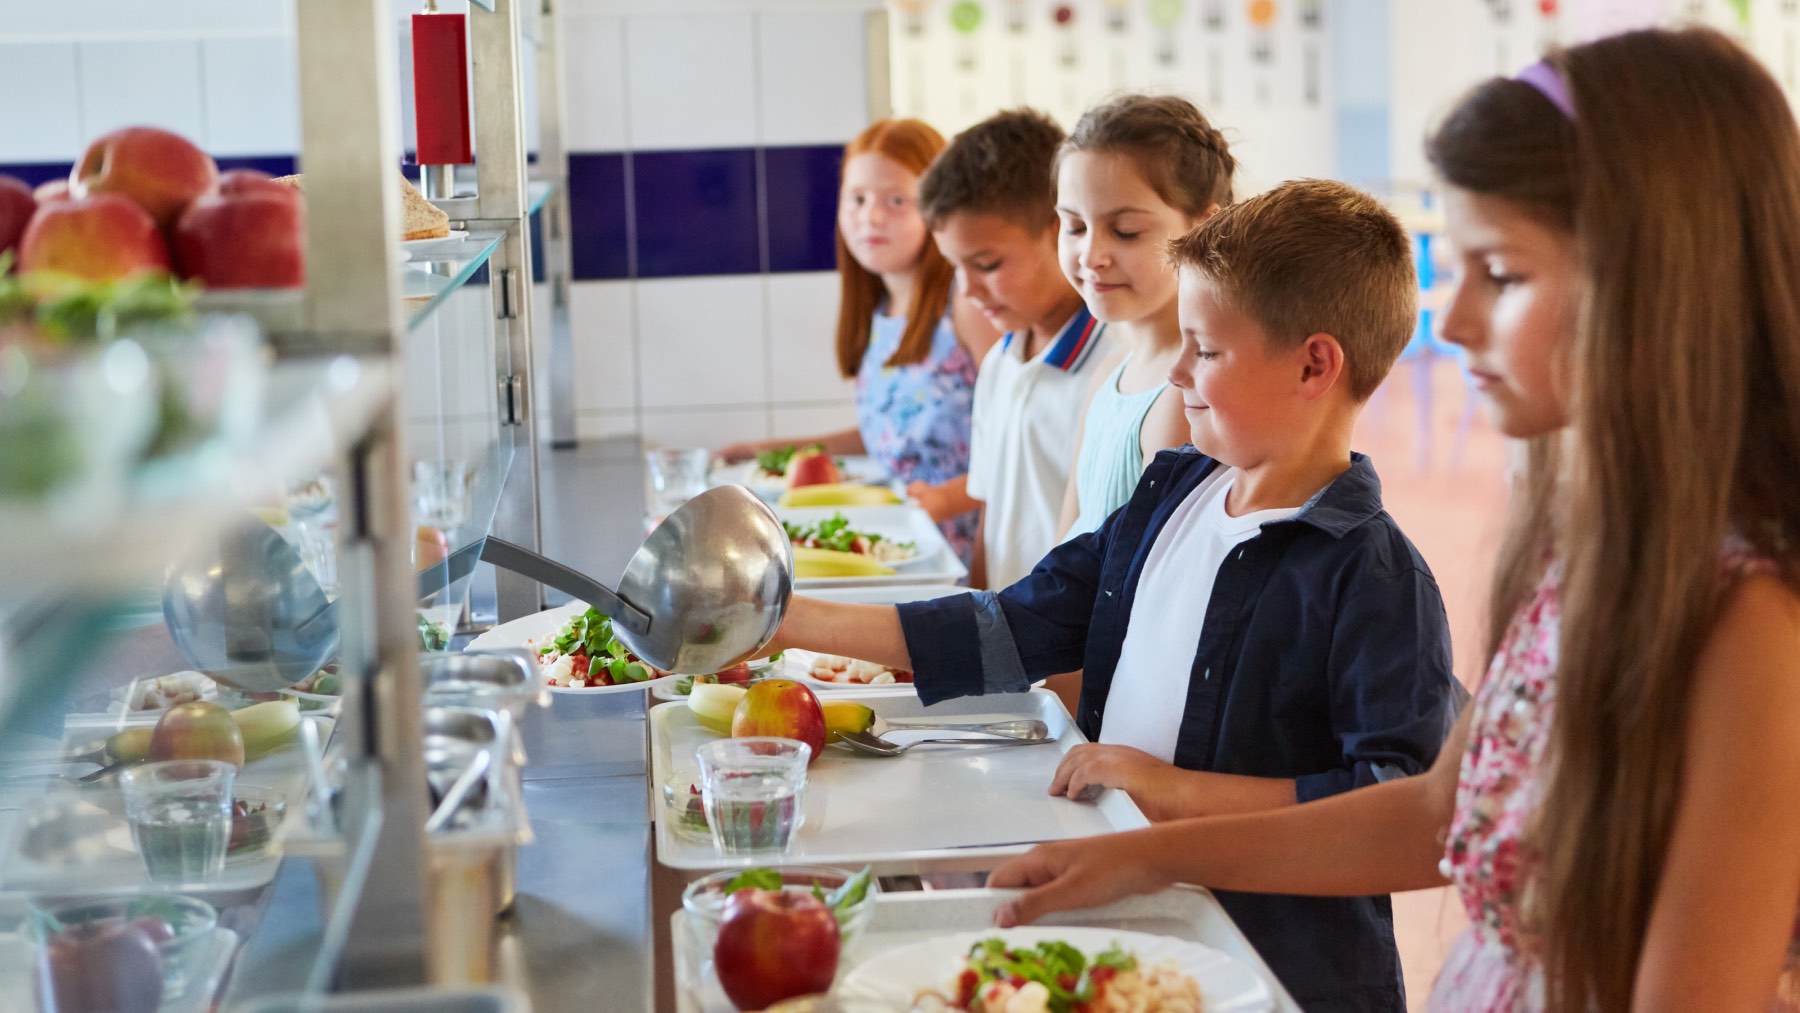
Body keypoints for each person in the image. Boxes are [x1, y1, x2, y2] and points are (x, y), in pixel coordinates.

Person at [985, 28, 1800, 1012]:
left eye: (1500, 274)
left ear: (1658, 279)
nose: (1449, 326)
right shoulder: (1593, 546)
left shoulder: (1750, 620)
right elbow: (1432, 813)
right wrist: (1139, 855)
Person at [775, 179, 1465, 1011]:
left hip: (1285, 973)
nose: (1176, 370)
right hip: (1140, 927)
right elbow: (1015, 624)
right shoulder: (1172, 491)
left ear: (1315, 363)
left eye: (1205, 350)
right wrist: (785, 622)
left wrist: (1171, 787)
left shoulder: (1377, 579)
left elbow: (1392, 808)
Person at [716, 119, 998, 561]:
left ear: (939, 204)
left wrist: (943, 501)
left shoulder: (967, 303)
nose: (871, 216)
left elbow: (1022, 447)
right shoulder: (882, 309)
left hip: (959, 557)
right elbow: (888, 436)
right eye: (858, 199)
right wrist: (769, 453)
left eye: (896, 200)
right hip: (900, 546)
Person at [918, 108, 1106, 590]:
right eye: (956, 267)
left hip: (1074, 658)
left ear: (1060, 227)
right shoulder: (999, 363)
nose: (969, 290)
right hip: (1012, 653)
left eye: (987, 263)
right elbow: (990, 516)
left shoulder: (1116, 366)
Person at [1053, 95, 1231, 540]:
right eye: (1074, 227)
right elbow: (1063, 549)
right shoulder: (1111, 374)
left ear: (1203, 228)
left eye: (1125, 231)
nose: (1091, 256)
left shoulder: (1185, 399)